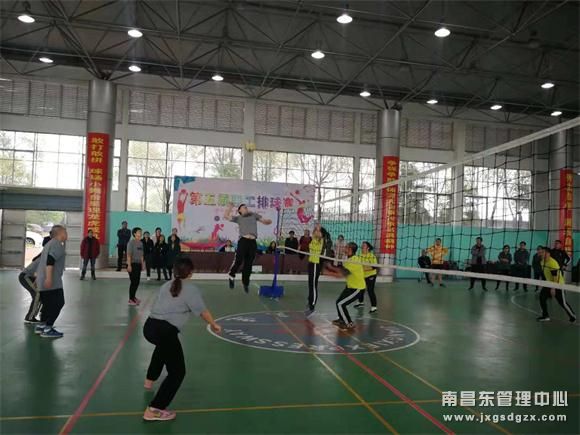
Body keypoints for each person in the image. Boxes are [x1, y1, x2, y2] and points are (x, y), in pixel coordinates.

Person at [143, 257, 222, 421]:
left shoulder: (166, 285)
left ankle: (149, 380)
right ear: (191, 273)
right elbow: (203, 311)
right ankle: (155, 409)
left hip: (149, 327)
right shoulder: (191, 290)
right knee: (177, 372)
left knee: (162, 350)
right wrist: (214, 324)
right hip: (165, 331)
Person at [224, 203, 272, 293]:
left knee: (248, 264)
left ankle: (245, 283)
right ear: (240, 210)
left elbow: (264, 221)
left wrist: (268, 221)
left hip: (252, 242)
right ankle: (231, 275)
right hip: (243, 241)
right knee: (238, 260)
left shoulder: (254, 215)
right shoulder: (238, 218)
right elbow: (226, 216)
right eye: (243, 207)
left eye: (246, 207)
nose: (246, 208)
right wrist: (229, 207)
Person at [34, 225, 68, 338]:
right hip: (52, 281)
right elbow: (50, 261)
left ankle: (41, 326)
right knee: (59, 303)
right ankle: (48, 328)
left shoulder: (49, 244)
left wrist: (39, 277)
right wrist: (49, 278)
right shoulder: (57, 245)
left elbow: (41, 262)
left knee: (47, 305)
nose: (66, 234)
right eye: (65, 232)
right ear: (60, 233)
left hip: (42, 279)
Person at [325, 242, 366, 331]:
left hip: (357, 289)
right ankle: (342, 320)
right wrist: (331, 267)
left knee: (341, 304)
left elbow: (341, 275)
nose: (344, 248)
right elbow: (341, 270)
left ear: (350, 249)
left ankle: (349, 323)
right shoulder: (349, 259)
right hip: (350, 287)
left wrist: (328, 273)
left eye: (346, 247)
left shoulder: (354, 261)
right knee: (338, 302)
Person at [537, 247, 576, 323]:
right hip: (549, 283)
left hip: (558, 284)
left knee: (562, 303)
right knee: (542, 297)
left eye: (543, 252)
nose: (541, 253)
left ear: (548, 253)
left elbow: (556, 277)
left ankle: (573, 316)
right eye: (540, 252)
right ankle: (545, 316)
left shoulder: (552, 262)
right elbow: (546, 273)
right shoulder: (542, 262)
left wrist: (553, 288)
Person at [353, 241, 378, 313]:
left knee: (370, 290)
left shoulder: (371, 256)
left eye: (364, 245)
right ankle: (361, 302)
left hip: (371, 275)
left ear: (368, 248)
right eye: (362, 245)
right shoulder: (359, 256)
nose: (362, 246)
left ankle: (374, 306)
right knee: (360, 289)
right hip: (362, 275)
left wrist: (363, 269)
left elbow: (374, 267)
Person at [305, 227, 323, 318]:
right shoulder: (313, 239)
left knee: (313, 286)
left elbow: (319, 236)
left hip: (316, 264)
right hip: (311, 263)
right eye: (315, 230)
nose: (315, 232)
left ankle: (312, 306)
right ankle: (310, 301)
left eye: (317, 231)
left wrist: (318, 230)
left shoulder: (320, 240)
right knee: (310, 284)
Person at [19, 255, 42, 324]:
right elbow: (37, 274)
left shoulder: (44, 258)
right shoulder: (43, 259)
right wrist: (36, 283)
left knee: (39, 295)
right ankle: (30, 317)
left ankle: (33, 316)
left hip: (31, 277)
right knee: (37, 294)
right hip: (25, 277)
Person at [127, 227, 144, 306]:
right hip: (132, 264)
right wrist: (129, 265)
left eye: (141, 232)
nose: (140, 233)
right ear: (134, 233)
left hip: (138, 264)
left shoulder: (141, 243)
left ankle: (133, 297)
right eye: (139, 232)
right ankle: (130, 299)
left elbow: (142, 255)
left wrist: (142, 265)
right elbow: (129, 255)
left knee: (137, 282)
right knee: (133, 282)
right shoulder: (131, 243)